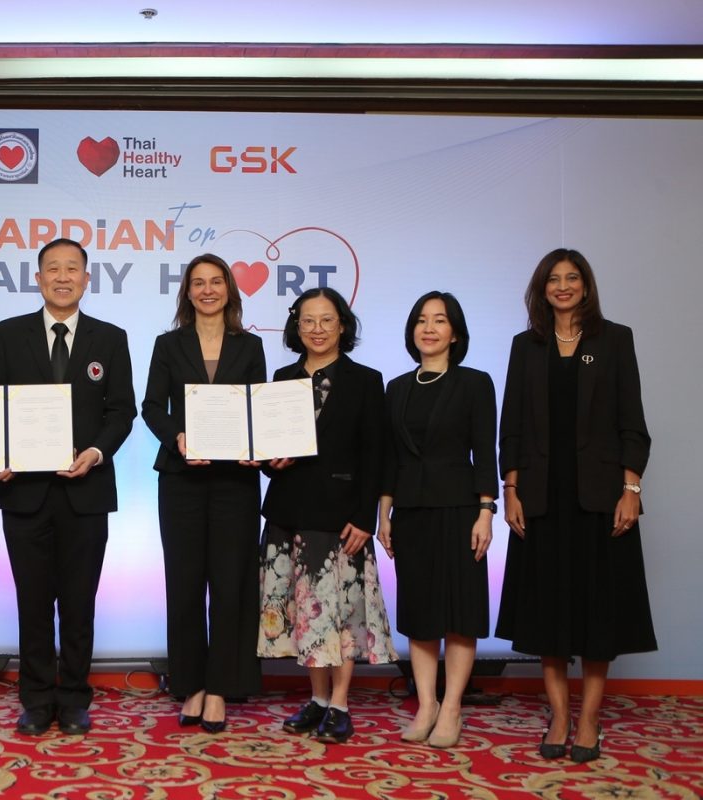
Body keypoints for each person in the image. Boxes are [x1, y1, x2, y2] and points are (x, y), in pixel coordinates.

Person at [495, 249, 655, 763]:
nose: (562, 286)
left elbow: (632, 424)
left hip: (600, 499)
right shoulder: (526, 346)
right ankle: (560, 716)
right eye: (553, 279)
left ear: (585, 285)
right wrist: (510, 490)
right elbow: (511, 427)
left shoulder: (615, 339)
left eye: (572, 277)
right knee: (548, 615)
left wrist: (631, 490)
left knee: (597, 615)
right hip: (541, 500)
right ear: (541, 289)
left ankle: (589, 719)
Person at [0, 237, 136, 736]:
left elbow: (122, 411)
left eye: (73, 268)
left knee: (78, 603)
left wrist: (95, 452)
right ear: (38, 278)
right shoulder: (8, 334)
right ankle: (35, 700)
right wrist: (0, 454)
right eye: (53, 268)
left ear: (87, 279)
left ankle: (73, 698)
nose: (63, 277)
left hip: (86, 494)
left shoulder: (110, 338)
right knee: (31, 604)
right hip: (24, 495)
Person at [258, 288, 397, 743]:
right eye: (308, 321)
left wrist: (365, 516)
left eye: (327, 320)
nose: (317, 329)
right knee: (305, 613)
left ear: (343, 325)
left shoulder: (366, 380)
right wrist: (269, 460)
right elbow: (269, 452)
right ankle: (317, 700)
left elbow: (376, 454)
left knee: (340, 613)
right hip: (288, 513)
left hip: (342, 517)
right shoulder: (282, 378)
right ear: (296, 327)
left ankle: (340, 704)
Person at [141, 254, 265, 734]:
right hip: (181, 479)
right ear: (187, 292)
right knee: (185, 584)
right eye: (198, 283)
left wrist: (257, 446)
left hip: (236, 482)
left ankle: (220, 688)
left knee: (231, 585)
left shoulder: (250, 345)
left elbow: (257, 407)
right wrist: (177, 436)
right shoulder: (167, 344)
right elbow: (152, 406)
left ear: (229, 289)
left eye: (216, 282)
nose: (208, 290)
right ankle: (190, 684)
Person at [378, 290, 496, 749]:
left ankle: (451, 708)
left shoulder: (475, 383)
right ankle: (426, 704)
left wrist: (486, 512)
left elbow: (485, 452)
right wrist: (384, 513)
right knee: (420, 613)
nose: (429, 328)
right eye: (421, 320)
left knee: (459, 614)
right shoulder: (397, 388)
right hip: (411, 513)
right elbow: (390, 458)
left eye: (440, 320)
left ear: (455, 333)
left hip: (461, 510)